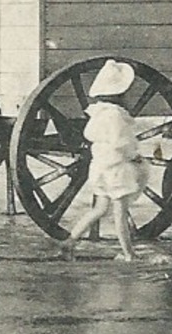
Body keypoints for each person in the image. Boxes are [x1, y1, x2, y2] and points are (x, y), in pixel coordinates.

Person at [58, 58, 145, 262]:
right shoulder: (116, 116)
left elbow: (90, 135)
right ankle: (129, 254)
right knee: (120, 213)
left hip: (99, 169)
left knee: (99, 209)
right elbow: (122, 142)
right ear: (120, 94)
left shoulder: (97, 114)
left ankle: (69, 242)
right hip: (116, 171)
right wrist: (135, 157)